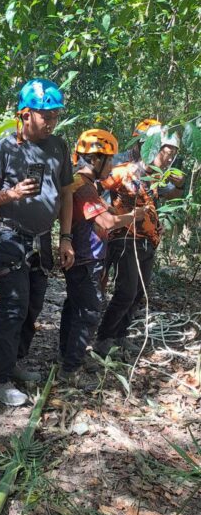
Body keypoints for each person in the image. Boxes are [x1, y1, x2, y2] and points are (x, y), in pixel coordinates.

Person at [0, 78, 75, 407]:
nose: (51, 122)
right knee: (12, 308)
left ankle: (12, 361)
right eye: (45, 115)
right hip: (11, 235)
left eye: (55, 115)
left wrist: (66, 237)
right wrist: (9, 194)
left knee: (33, 306)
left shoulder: (59, 146)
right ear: (25, 113)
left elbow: (65, 195)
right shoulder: (6, 147)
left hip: (43, 240)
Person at [58, 129, 146, 383]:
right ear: (96, 160)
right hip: (85, 258)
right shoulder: (82, 188)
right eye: (109, 160)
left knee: (74, 308)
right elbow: (106, 222)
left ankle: (66, 356)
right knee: (88, 311)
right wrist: (134, 216)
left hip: (83, 257)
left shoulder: (83, 185)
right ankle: (71, 369)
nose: (112, 167)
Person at [94, 121, 182, 355]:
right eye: (167, 151)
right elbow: (93, 187)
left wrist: (154, 222)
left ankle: (120, 334)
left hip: (148, 241)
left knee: (138, 293)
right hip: (126, 240)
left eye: (173, 153)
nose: (170, 157)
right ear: (150, 147)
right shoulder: (125, 171)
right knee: (126, 291)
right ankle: (103, 337)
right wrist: (112, 213)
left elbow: (155, 201)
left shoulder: (156, 177)